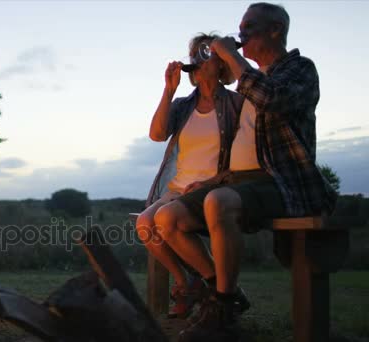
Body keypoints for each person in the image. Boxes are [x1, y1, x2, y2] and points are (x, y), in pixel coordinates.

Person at [152, 3, 337, 341]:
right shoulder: (247, 83)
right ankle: (223, 295)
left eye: (248, 27)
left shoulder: (298, 69)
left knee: (219, 202)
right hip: (235, 182)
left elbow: (272, 100)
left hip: (279, 181)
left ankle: (221, 310)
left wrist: (230, 59)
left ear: (275, 30)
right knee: (166, 218)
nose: (240, 36)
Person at [137, 33, 244, 319]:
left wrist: (214, 182)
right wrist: (168, 91)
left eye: (205, 54)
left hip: (215, 189)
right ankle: (190, 282)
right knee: (145, 224)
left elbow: (245, 156)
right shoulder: (184, 104)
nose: (196, 61)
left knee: (163, 219)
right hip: (178, 188)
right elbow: (157, 134)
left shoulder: (236, 104)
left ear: (222, 65)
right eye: (194, 55)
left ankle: (221, 290)